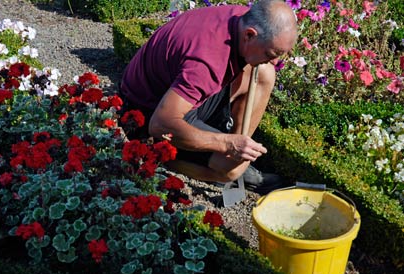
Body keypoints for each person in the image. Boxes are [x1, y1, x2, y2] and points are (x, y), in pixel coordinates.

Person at [119, 0, 298, 194]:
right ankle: (161, 157)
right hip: (145, 113)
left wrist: (236, 145)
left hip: (174, 94)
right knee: (231, 169)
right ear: (249, 35)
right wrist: (228, 144)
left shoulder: (242, 19)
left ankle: (236, 153)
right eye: (272, 53)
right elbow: (160, 125)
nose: (276, 60)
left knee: (265, 72)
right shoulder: (207, 64)